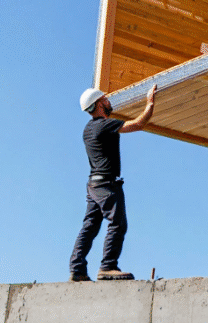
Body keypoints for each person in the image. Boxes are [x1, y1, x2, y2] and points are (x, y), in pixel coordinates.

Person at [69, 84, 157, 281]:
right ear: (99, 104)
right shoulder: (104, 125)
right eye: (105, 100)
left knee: (90, 227)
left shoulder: (88, 129)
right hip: (107, 186)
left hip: (94, 186)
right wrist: (150, 103)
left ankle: (77, 269)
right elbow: (137, 124)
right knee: (118, 223)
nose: (109, 102)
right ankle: (108, 266)